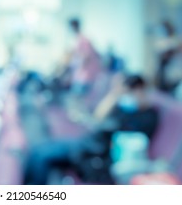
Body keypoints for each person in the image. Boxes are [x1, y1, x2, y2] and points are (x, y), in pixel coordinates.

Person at [23, 74, 159, 185]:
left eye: (132, 92)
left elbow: (130, 144)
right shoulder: (124, 108)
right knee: (37, 150)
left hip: (97, 153)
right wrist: (115, 95)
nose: (129, 96)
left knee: (41, 156)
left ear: (141, 90)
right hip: (91, 143)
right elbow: (99, 116)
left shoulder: (148, 116)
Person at [66, 18, 101, 95]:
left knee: (78, 99)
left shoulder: (83, 40)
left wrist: (73, 69)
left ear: (73, 27)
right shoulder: (79, 39)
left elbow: (86, 57)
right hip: (82, 75)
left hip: (85, 76)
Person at [154, 20, 182, 93]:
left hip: (175, 76)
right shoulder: (162, 42)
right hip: (163, 77)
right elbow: (161, 49)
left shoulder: (176, 40)